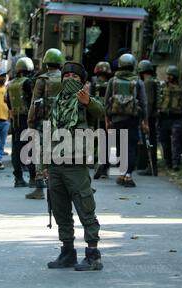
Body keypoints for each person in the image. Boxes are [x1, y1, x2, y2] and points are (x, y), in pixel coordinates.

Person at [47, 62, 105, 271]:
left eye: (75, 76)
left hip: (76, 164)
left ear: (82, 81)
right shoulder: (57, 103)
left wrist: (88, 101)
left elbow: (100, 112)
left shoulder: (85, 102)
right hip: (56, 164)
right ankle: (67, 252)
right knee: (60, 210)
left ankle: (93, 255)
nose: (70, 78)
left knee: (85, 208)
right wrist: (45, 163)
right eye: (66, 75)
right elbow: (48, 132)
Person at [104, 53, 148, 188]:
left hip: (116, 119)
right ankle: (128, 175)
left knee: (120, 147)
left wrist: (107, 120)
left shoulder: (113, 81)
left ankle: (122, 174)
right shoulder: (138, 81)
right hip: (132, 119)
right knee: (131, 147)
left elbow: (106, 102)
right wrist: (145, 121)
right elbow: (144, 103)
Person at [25, 48, 64, 200]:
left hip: (44, 123)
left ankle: (40, 188)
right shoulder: (66, 79)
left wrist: (30, 123)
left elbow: (34, 103)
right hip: (62, 123)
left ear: (46, 62)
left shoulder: (42, 79)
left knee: (40, 153)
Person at [6, 57, 37, 187]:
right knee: (30, 148)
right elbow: (32, 100)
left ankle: (18, 178)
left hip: (15, 119)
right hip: (26, 118)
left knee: (16, 147)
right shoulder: (27, 82)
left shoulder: (11, 84)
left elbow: (7, 102)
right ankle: (32, 178)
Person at [158, 65, 182, 171]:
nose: (168, 77)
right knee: (164, 141)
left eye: (170, 75)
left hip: (176, 118)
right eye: (168, 75)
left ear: (175, 76)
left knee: (175, 141)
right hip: (163, 118)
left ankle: (175, 163)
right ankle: (168, 161)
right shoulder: (162, 87)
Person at [90, 61, 112, 179]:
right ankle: (103, 166)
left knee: (99, 140)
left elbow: (91, 97)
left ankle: (100, 164)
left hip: (100, 113)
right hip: (105, 114)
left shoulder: (94, 81)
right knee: (104, 140)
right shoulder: (110, 81)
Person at [138, 60, 160, 176]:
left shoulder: (148, 83)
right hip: (153, 116)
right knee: (152, 141)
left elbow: (149, 102)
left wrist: (144, 119)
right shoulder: (154, 81)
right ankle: (152, 166)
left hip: (149, 117)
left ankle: (151, 167)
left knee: (149, 141)